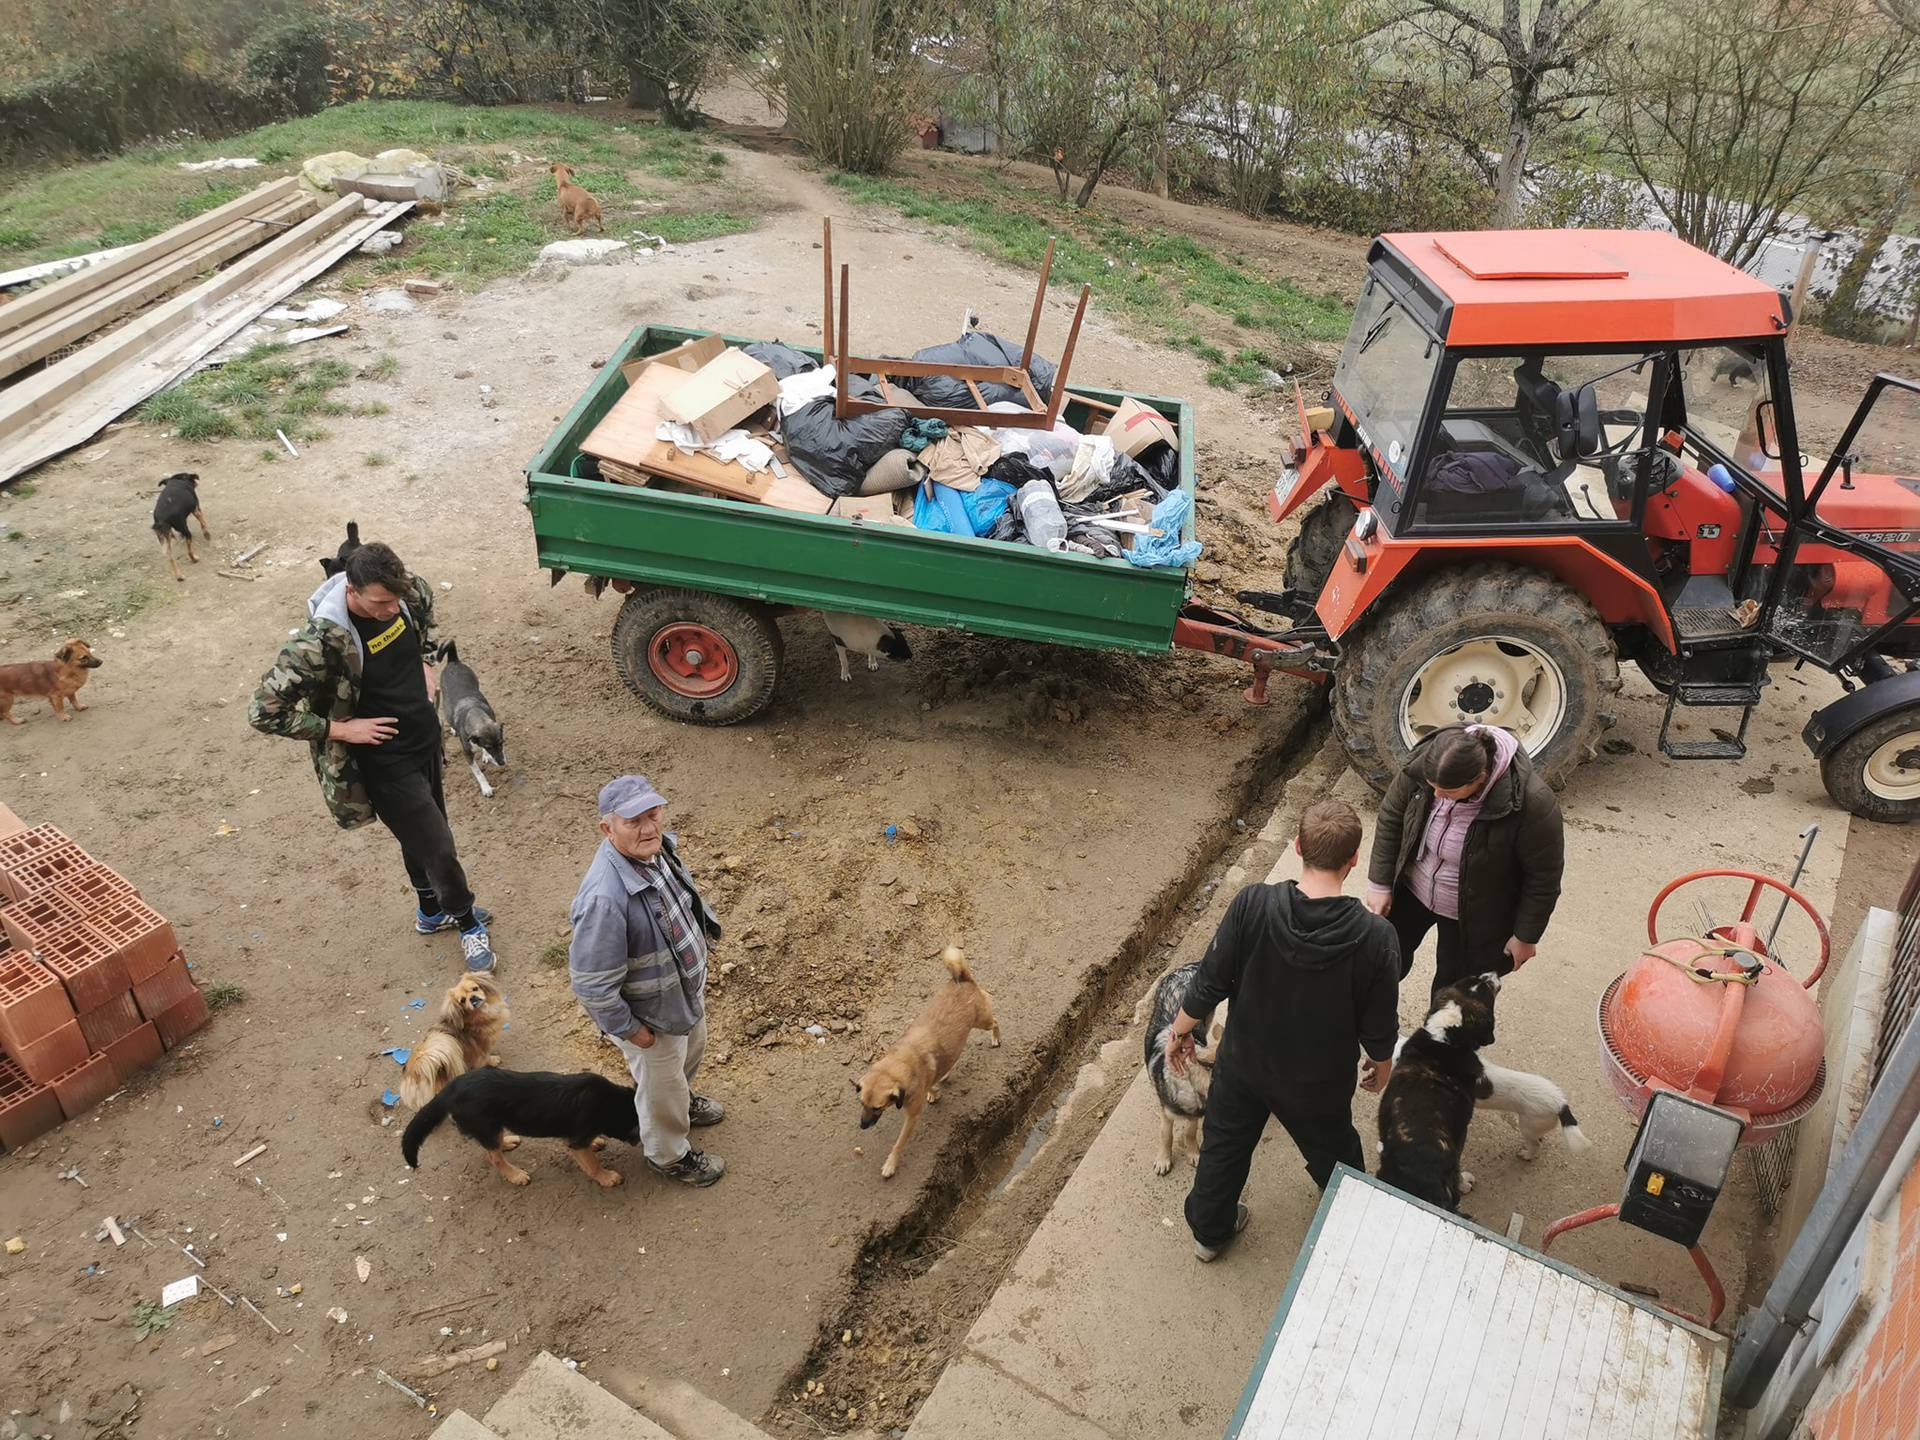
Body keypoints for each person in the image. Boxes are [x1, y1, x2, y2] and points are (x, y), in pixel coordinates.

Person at [1168, 799, 1400, 1263]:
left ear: (1297, 847)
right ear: (1354, 860)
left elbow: (1210, 979)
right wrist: (1382, 1066)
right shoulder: (1376, 939)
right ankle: (1350, 1212)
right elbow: (1379, 1028)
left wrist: (1180, 1032)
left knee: (1225, 1148)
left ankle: (1209, 1236)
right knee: (1335, 1150)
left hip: (1244, 1067)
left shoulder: (1253, 903)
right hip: (1316, 1084)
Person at [249, 540, 495, 972]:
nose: (391, 608)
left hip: (423, 740)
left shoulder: (406, 594)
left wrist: (422, 659)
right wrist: (340, 729)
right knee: (438, 846)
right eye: (381, 602)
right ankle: (467, 920)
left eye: (396, 598)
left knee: (420, 835)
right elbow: (263, 711)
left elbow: (421, 614)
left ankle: (430, 912)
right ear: (351, 591)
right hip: (384, 762)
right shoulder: (320, 643)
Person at [568, 775, 726, 1187]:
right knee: (660, 1088)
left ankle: (684, 1103)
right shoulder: (604, 898)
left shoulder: (657, 850)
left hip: (679, 996)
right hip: (651, 1018)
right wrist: (630, 1030)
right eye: (634, 820)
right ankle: (669, 1156)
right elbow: (591, 983)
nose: (649, 827)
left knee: (690, 1054)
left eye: (653, 814)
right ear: (608, 828)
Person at [1364, 724, 1564, 1001]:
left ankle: (1439, 1044)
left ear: (1479, 779)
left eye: (1447, 792)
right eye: (1432, 788)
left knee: (1453, 994)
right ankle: (1367, 1021)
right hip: (1412, 889)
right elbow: (1391, 817)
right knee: (1380, 962)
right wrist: (1380, 882)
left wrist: (1526, 936)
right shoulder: (1426, 766)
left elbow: (1543, 879)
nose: (1437, 797)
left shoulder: (1533, 804)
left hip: (1471, 913)